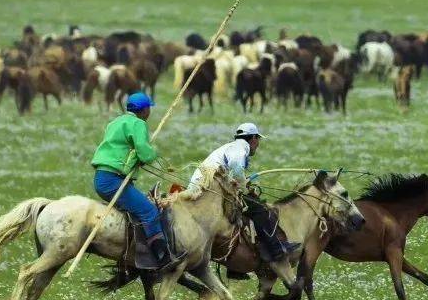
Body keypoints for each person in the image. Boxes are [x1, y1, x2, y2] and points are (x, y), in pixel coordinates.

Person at [91, 92, 180, 271]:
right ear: (144, 109)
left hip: (102, 177)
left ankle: (137, 250)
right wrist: (152, 154)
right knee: (149, 211)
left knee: (139, 208)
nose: (150, 112)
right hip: (113, 180)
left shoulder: (115, 122)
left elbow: (124, 149)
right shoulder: (138, 123)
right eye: (149, 108)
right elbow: (144, 152)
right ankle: (162, 258)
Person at [188, 122, 299, 261]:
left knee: (240, 212)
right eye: (258, 139)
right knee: (259, 210)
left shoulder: (232, 147)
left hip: (204, 187)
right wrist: (245, 187)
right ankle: (276, 250)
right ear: (253, 138)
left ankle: (235, 265)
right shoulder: (241, 148)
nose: (258, 144)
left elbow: (233, 174)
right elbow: (237, 170)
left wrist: (242, 183)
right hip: (208, 190)